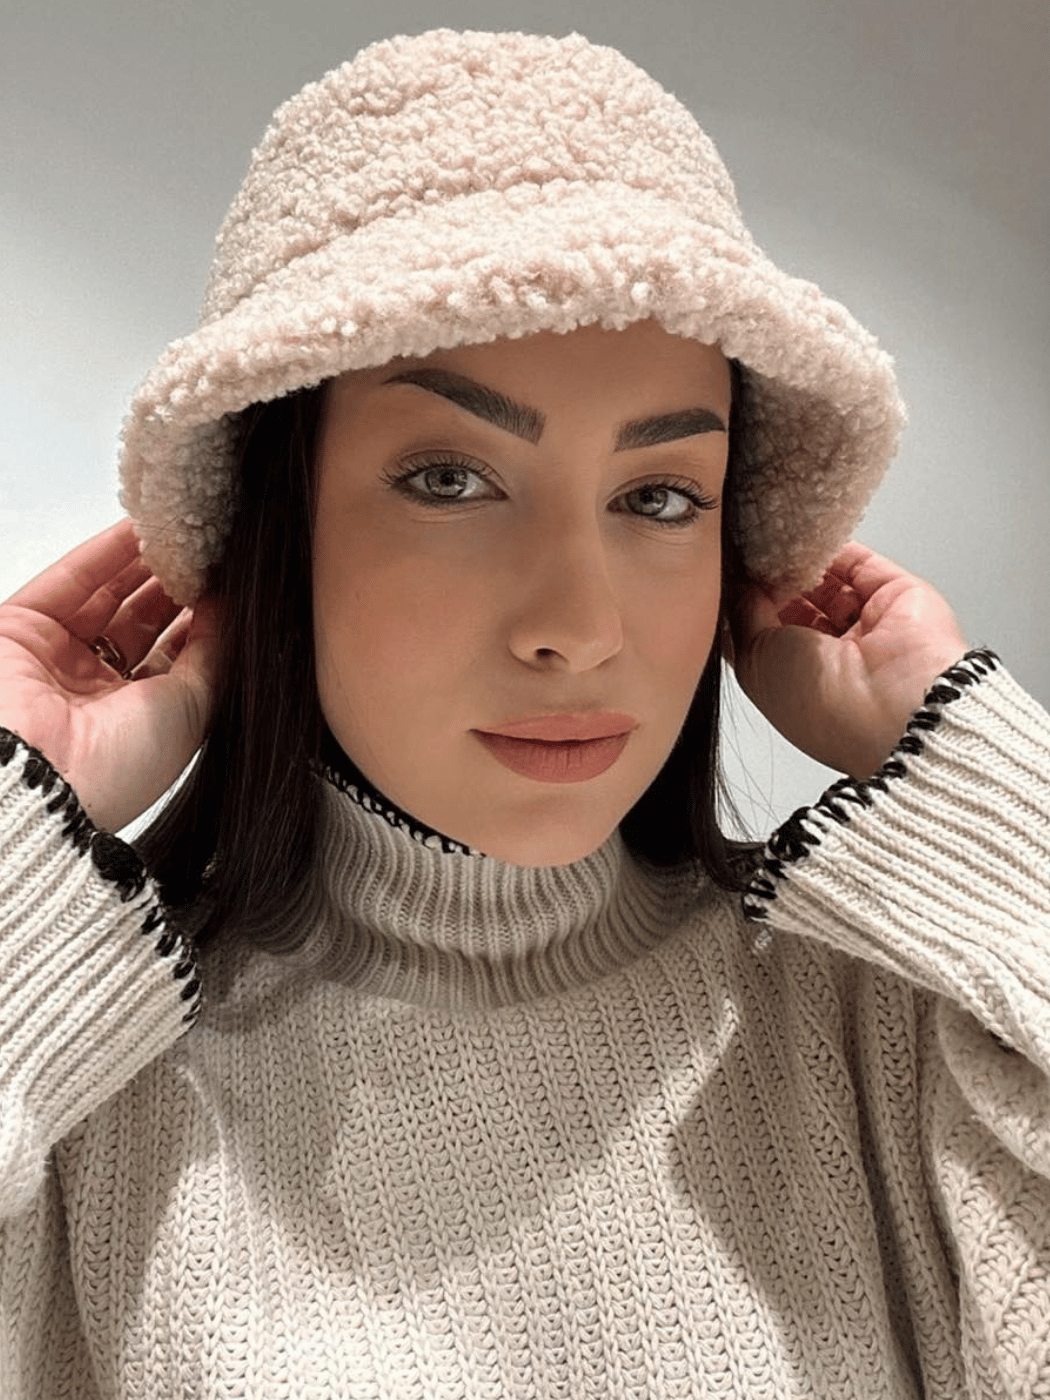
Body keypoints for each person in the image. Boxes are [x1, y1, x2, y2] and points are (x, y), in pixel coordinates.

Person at [1, 27, 1047, 1400]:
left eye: (659, 497)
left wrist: (976, 785)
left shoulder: (897, 1034)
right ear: (277, 521)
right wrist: (18, 833)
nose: (579, 625)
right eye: (449, 480)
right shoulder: (68, 1087)